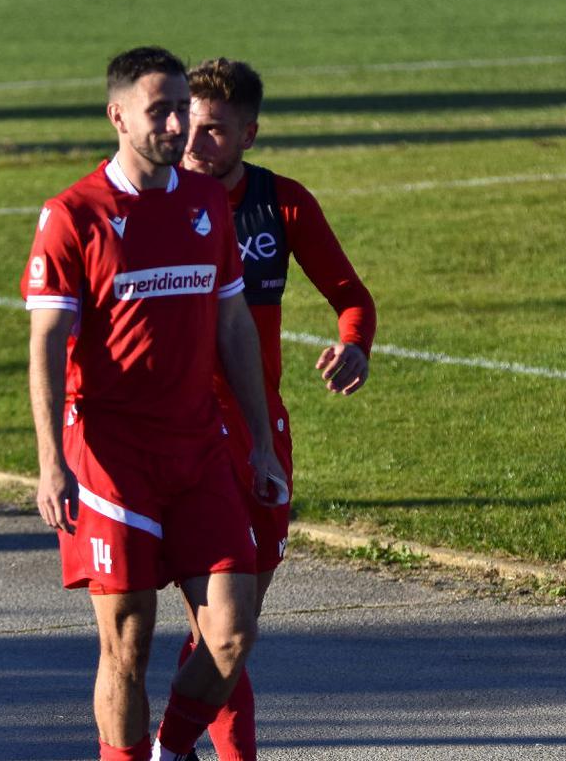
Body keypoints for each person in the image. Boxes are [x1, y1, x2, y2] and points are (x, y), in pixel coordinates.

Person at [21, 46, 288, 761]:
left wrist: (261, 444)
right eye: (160, 111)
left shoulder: (205, 202)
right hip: (112, 459)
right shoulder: (73, 215)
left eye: (182, 110)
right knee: (128, 641)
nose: (177, 125)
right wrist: (51, 463)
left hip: (198, 449)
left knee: (231, 633)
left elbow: (233, 326)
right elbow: (46, 345)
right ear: (118, 116)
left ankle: (172, 748)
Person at [179, 56, 377, 761]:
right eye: (187, 125)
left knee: (233, 628)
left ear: (249, 134)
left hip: (261, 432)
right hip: (182, 435)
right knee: (223, 631)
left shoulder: (281, 203)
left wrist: (354, 344)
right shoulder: (157, 202)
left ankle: (175, 734)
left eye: (213, 130)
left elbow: (351, 296)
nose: (193, 142)